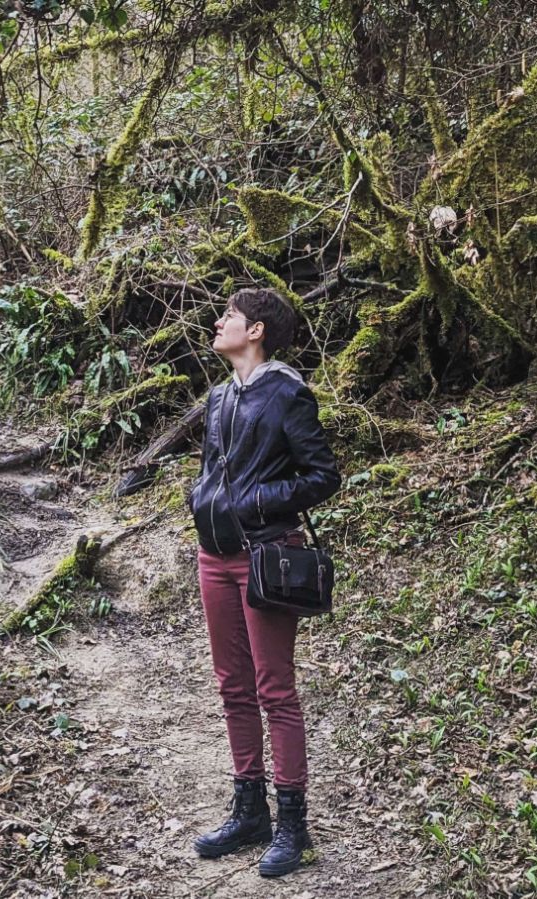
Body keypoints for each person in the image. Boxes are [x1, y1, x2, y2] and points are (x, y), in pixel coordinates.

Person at [188, 287, 341, 877]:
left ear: (256, 330)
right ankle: (249, 810)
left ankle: (293, 826)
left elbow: (322, 475)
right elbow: (212, 469)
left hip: (267, 555)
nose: (219, 321)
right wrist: (202, 500)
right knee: (233, 686)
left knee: (274, 689)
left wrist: (257, 500)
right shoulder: (219, 395)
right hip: (214, 555)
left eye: (229, 315)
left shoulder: (287, 392)